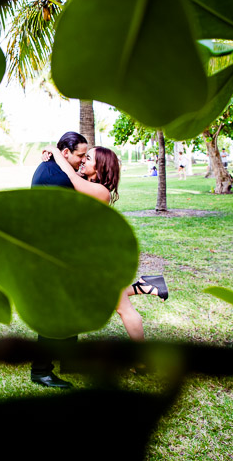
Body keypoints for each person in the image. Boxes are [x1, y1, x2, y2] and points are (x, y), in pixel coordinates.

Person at [44, 145, 168, 343]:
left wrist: (55, 151)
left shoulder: (101, 191)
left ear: (99, 166)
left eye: (89, 158)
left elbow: (72, 178)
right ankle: (145, 285)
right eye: (84, 157)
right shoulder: (88, 183)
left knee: (122, 308)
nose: (83, 160)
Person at [28, 132, 89, 389]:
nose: (84, 161)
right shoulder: (58, 178)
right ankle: (40, 371)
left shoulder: (55, 167)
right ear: (66, 153)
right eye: (80, 156)